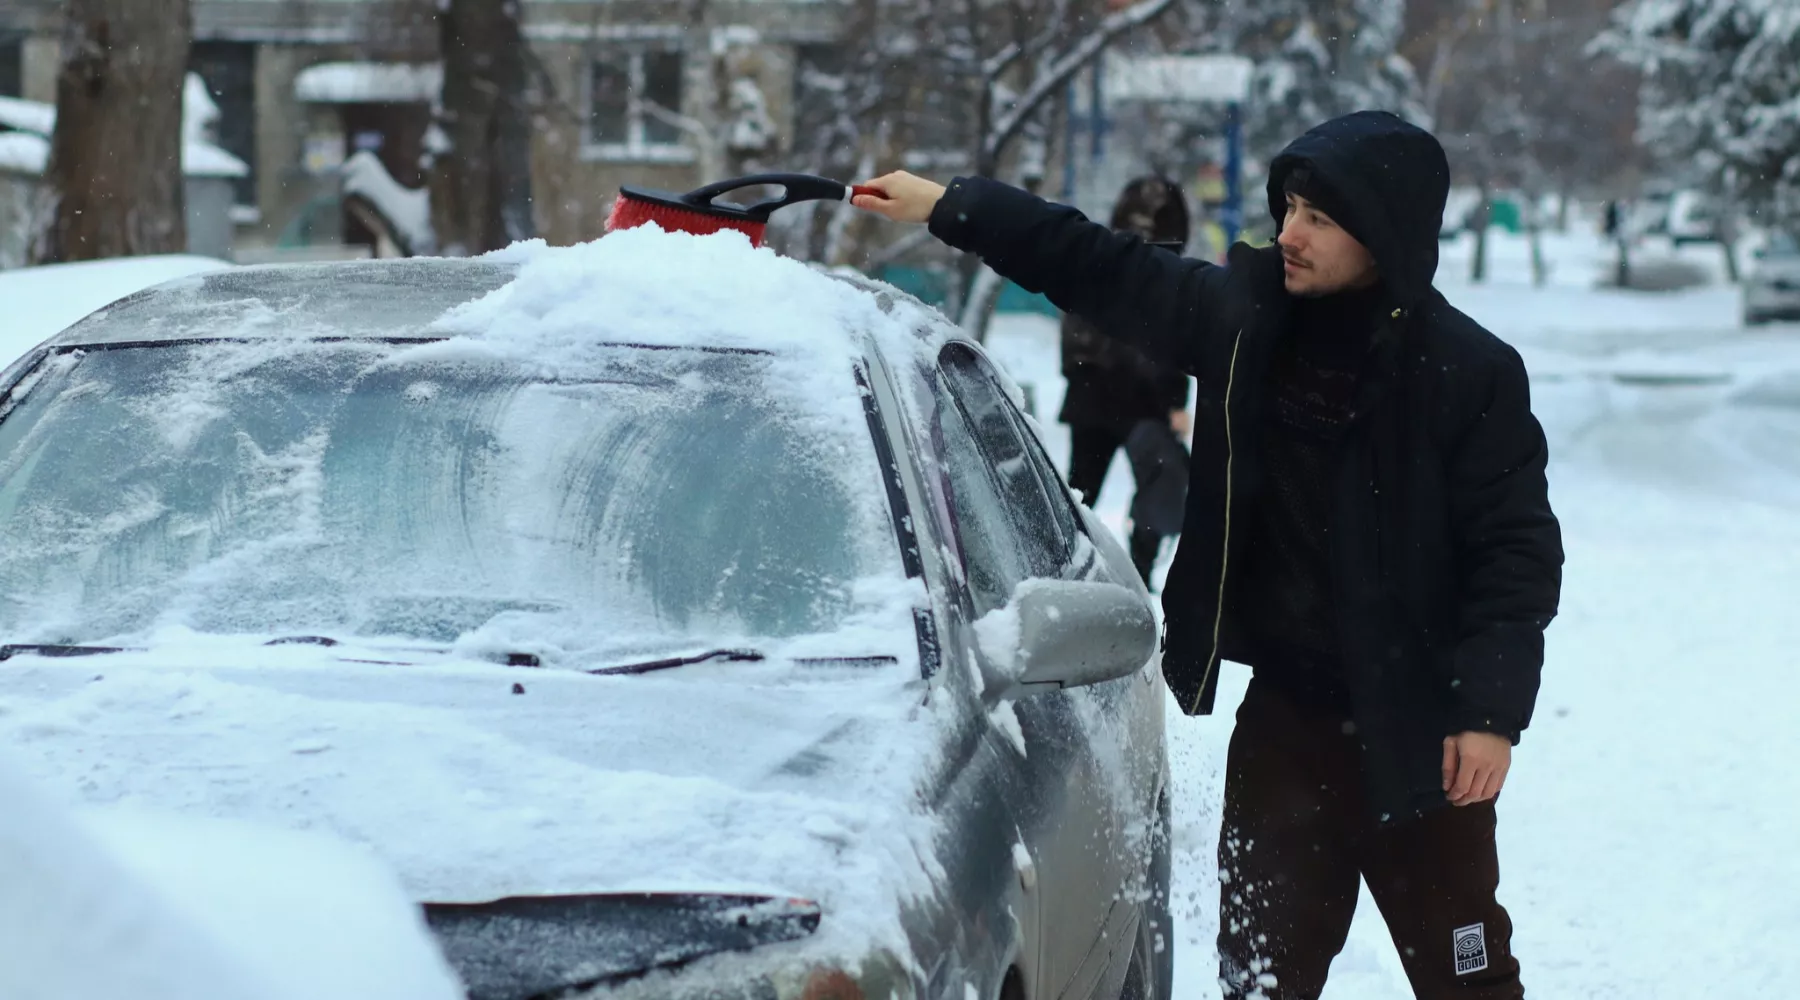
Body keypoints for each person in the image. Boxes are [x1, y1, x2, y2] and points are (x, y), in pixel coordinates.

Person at [852, 110, 1563, 1000]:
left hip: (1423, 739)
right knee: (1259, 982)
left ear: (1383, 235)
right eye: (1289, 208)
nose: (1289, 234)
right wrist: (951, 206)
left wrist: (1490, 711)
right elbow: (1095, 263)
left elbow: (1516, 553)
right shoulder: (1242, 322)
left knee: (1470, 981)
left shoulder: (1469, 372)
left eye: (1320, 219)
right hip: (1288, 731)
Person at [1060, 175, 1193, 588]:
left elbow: (1074, 338)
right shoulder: (1165, 272)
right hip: (1137, 405)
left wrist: (1083, 372)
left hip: (1096, 398)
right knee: (1152, 487)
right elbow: (1168, 342)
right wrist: (1172, 400)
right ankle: (1135, 568)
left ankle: (1065, 565)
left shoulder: (1097, 259)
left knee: (1079, 494)